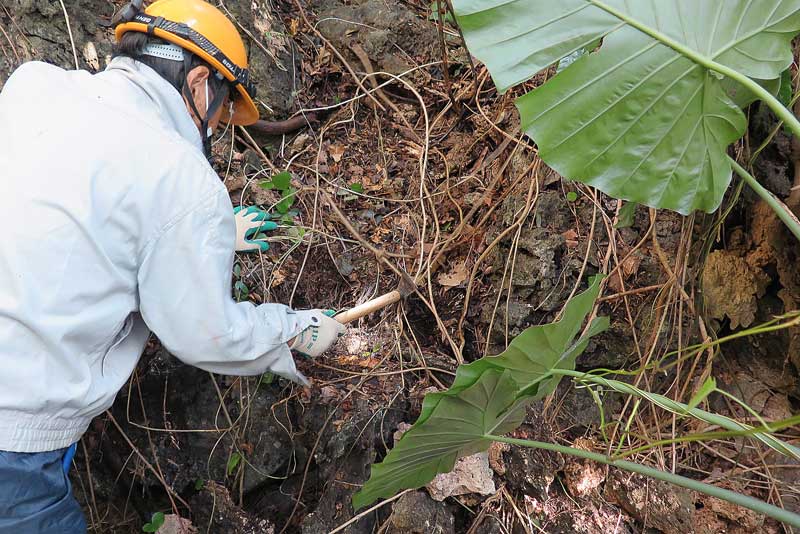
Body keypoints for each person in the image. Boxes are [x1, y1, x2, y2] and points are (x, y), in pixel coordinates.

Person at [0, 0, 345, 531]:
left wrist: (203, 234)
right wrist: (292, 331)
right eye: (223, 109)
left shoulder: (33, 87)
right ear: (200, 83)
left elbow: (63, 206)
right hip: (14, 439)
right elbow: (204, 333)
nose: (218, 127)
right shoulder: (181, 176)